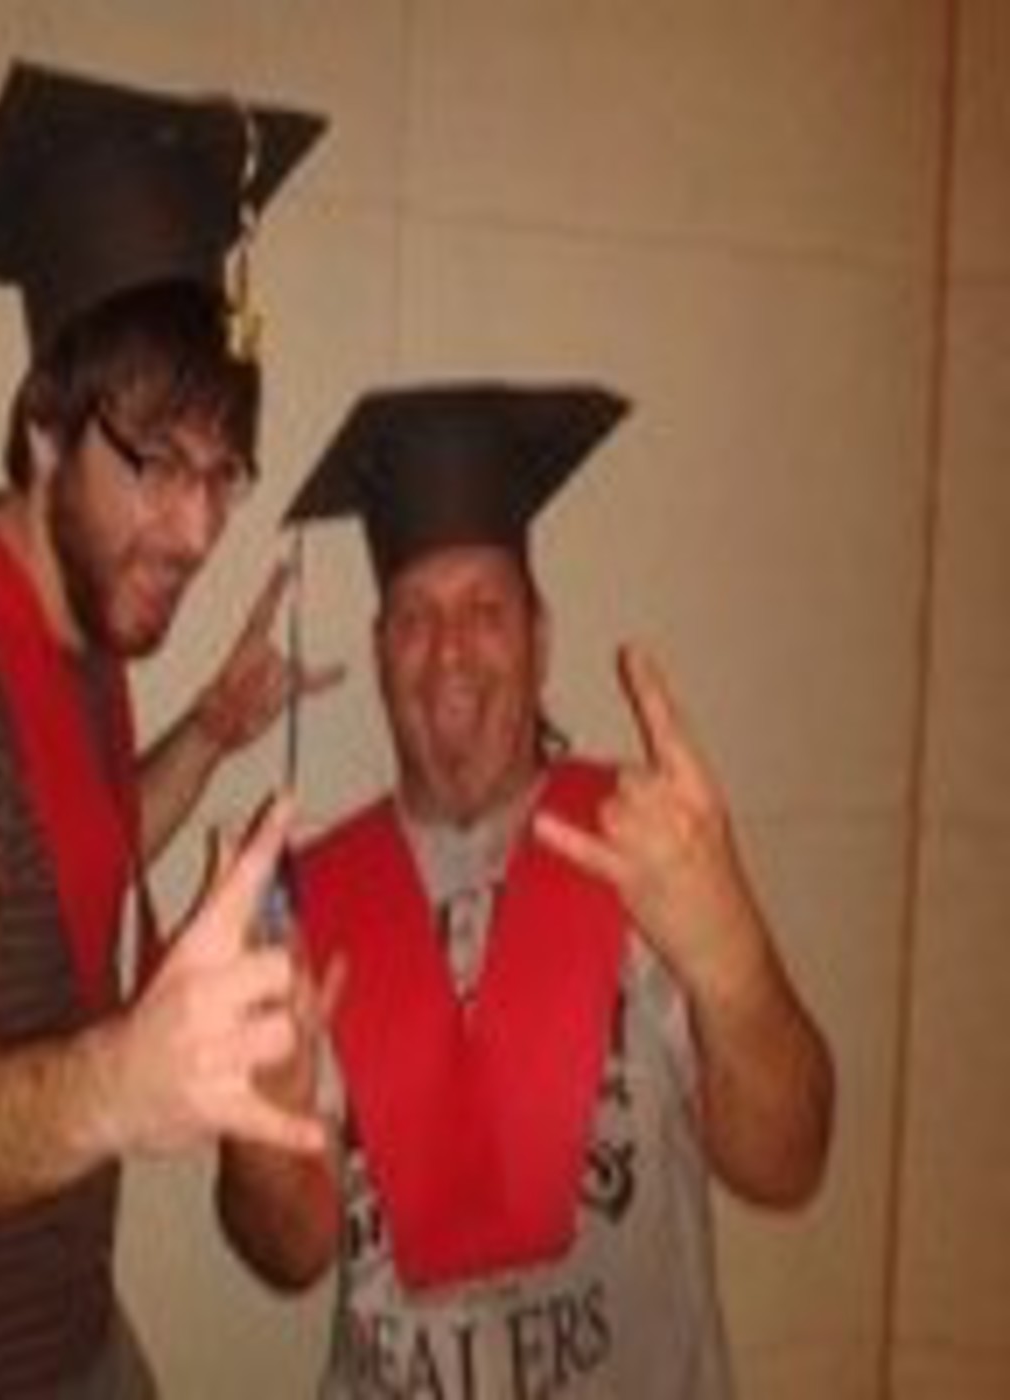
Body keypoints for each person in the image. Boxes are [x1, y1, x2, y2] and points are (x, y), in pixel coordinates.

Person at [0, 61, 334, 1398]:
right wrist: (125, 1085)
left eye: (223, 474)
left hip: (69, 1331)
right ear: (43, 431)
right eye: (155, 461)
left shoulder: (66, 638)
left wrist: (206, 731)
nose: (197, 531)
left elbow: (60, 844)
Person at [217, 383, 836, 1398]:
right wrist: (257, 1136)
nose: (449, 650)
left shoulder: (644, 848)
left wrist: (733, 960)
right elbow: (284, 1255)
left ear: (540, 638)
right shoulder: (309, 900)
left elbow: (789, 1165)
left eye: (485, 611)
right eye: (414, 617)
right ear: (379, 652)